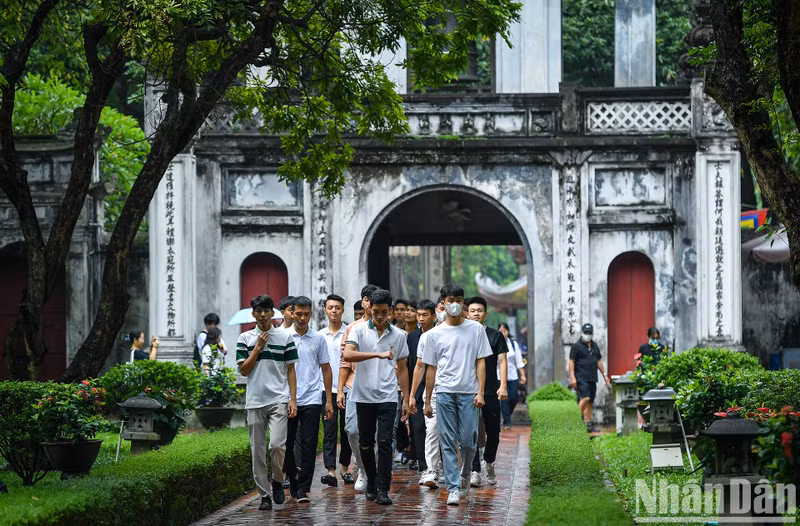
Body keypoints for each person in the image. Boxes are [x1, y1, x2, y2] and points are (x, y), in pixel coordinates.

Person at [420, 283, 492, 506]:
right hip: (444, 393)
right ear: (443, 302)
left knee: (469, 442)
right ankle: (452, 487)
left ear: (463, 303)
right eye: (450, 300)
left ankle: (466, 472)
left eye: (458, 300)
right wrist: (428, 400)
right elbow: (431, 368)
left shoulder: (476, 329)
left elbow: (481, 361)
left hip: (469, 393)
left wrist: (480, 392)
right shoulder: (434, 334)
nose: (454, 304)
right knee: (448, 442)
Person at [343, 288, 410, 505]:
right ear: (369, 308)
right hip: (363, 395)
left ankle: (383, 489)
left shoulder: (398, 335)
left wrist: (406, 398)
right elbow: (348, 354)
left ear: (390, 310)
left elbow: (403, 368)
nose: (379, 316)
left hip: (388, 396)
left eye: (384, 312)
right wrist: (377, 354)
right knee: (365, 442)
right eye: (375, 312)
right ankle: (371, 480)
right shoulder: (358, 330)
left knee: (384, 443)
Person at [237, 294, 298, 511]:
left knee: (278, 445)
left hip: (279, 399)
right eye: (258, 311)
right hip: (255, 400)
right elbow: (244, 370)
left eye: (266, 311)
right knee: (257, 450)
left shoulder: (285, 337)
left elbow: (291, 370)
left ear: (273, 313)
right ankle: (264, 495)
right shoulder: (245, 338)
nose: (263, 315)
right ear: (253, 314)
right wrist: (257, 347)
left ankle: (278, 480)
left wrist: (292, 399)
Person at [283, 296, 333, 504]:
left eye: (306, 314)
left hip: (312, 397)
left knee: (309, 444)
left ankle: (303, 488)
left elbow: (326, 368)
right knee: (285, 444)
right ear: (291, 313)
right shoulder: (283, 336)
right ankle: (293, 475)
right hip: (287, 398)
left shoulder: (318, 338)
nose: (302, 318)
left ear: (311, 314)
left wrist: (328, 400)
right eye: (298, 314)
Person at [337, 284, 379, 492]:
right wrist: (339, 391)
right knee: (352, 430)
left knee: (378, 435)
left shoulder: (388, 329)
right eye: (367, 300)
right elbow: (344, 362)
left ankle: (375, 471)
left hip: (380, 388)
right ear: (363, 302)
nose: (370, 304)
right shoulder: (352, 328)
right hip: (354, 387)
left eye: (373, 300)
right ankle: (362, 468)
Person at [465, 297, 508, 487]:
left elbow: (503, 361)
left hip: (491, 390)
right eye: (472, 310)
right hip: (468, 390)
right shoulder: (462, 335)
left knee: (493, 432)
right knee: (471, 432)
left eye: (479, 310)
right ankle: (475, 470)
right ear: (467, 313)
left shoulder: (495, 335)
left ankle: (489, 461)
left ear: (486, 314)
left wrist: (503, 385)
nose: (476, 313)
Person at [318, 294, 354, 486]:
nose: (334, 311)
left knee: (347, 430)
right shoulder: (319, 335)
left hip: (347, 389)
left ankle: (345, 467)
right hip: (326, 390)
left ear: (342, 310)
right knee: (329, 430)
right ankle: (330, 471)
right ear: (325, 310)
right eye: (330, 307)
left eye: (337, 307)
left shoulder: (349, 333)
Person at [407, 299, 436, 482]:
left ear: (433, 315)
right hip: (417, 390)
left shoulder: (440, 334)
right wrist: (408, 394)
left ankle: (436, 465)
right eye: (419, 315)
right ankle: (424, 466)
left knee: (434, 429)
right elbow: (411, 365)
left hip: (436, 389)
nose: (421, 318)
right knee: (418, 429)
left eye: (425, 315)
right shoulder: (411, 337)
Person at [569, 323, 610, 433]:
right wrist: (572, 377)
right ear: (582, 333)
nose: (587, 334)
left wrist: (605, 375)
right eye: (586, 332)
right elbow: (572, 362)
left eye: (589, 332)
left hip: (592, 377)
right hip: (581, 377)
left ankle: (588, 424)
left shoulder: (594, 346)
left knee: (590, 401)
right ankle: (575, 422)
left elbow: (599, 361)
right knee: (585, 398)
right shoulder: (576, 346)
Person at [497, 323, 526, 429]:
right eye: (500, 331)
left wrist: (523, 375)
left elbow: (519, 361)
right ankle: (507, 422)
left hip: (512, 376)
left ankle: (506, 416)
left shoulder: (513, 344)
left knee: (513, 398)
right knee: (504, 399)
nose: (502, 333)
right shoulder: (495, 343)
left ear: (508, 332)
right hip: (499, 376)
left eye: (504, 331)